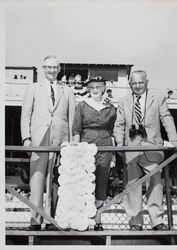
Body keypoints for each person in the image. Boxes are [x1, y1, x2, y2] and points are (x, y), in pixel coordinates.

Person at [114, 70, 177, 231]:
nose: (137, 86)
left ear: (146, 82)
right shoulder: (123, 101)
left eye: (140, 83)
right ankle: (135, 223)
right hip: (131, 150)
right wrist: (119, 144)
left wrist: (174, 140)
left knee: (155, 185)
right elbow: (119, 125)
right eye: (134, 83)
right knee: (132, 186)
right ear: (130, 84)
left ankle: (157, 222)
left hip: (152, 147)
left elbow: (166, 118)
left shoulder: (157, 97)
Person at [21, 55, 76, 230]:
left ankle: (54, 220)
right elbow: (25, 115)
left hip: (61, 142)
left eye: (55, 67)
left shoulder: (67, 91)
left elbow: (72, 119)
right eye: (48, 67)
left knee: (58, 182)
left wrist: (71, 142)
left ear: (59, 69)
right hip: (39, 140)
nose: (51, 70)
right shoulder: (33, 88)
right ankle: (36, 221)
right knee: (37, 180)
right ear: (43, 69)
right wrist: (26, 138)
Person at [72, 78, 117, 231]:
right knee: (84, 183)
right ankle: (83, 221)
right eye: (91, 87)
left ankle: (98, 219)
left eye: (98, 87)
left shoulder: (111, 108)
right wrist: (77, 153)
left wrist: (114, 156)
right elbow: (76, 130)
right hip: (85, 147)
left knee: (102, 183)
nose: (95, 89)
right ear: (88, 90)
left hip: (105, 149)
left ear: (104, 88)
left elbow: (113, 133)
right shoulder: (81, 106)